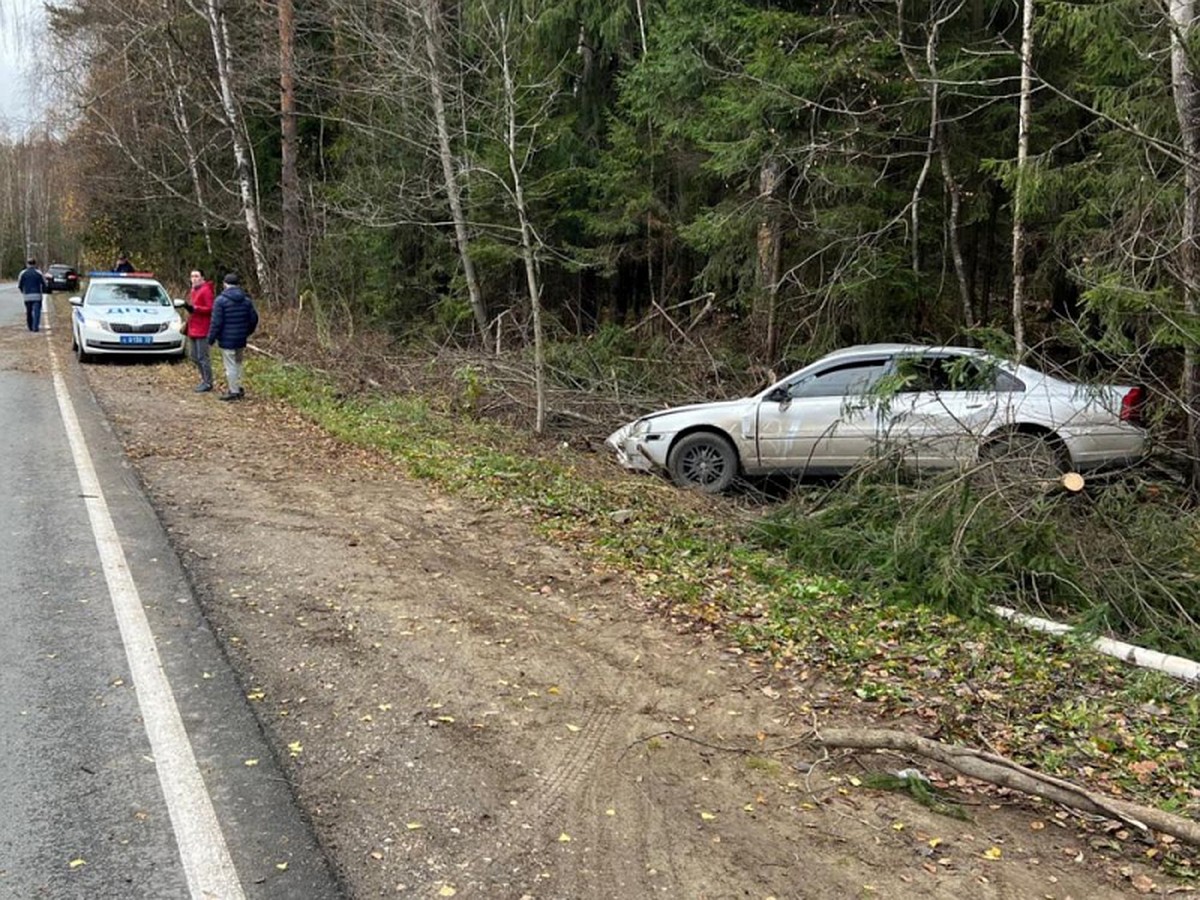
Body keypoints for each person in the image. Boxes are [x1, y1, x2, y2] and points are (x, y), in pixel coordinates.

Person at [207, 272, 258, 401]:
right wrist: (247, 332)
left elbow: (216, 323)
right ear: (238, 285)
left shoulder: (220, 301)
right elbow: (254, 319)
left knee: (230, 365)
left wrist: (211, 339)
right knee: (238, 363)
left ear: (225, 284)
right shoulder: (246, 300)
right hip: (241, 338)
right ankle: (239, 387)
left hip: (227, 339)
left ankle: (233, 391)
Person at [183, 268, 215, 392]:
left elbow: (211, 309)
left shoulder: (206, 291)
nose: (194, 279)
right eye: (192, 276)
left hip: (203, 328)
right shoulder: (193, 290)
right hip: (193, 327)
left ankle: (208, 382)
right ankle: (204, 380)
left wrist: (194, 308)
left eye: (196, 276)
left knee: (202, 357)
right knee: (194, 356)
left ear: (202, 278)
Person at [17, 258, 46, 332]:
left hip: (27, 295)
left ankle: (30, 326)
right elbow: (44, 283)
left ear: (27, 264)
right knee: (37, 312)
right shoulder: (39, 273)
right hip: (37, 295)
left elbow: (20, 284)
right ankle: (35, 327)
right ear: (35, 264)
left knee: (29, 311)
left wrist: (23, 291)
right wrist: (43, 291)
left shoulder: (23, 273)